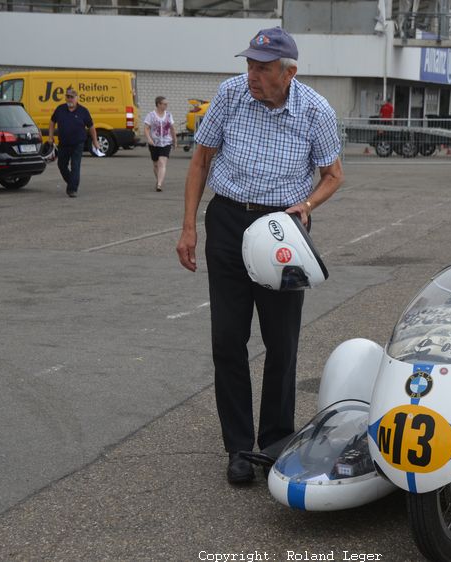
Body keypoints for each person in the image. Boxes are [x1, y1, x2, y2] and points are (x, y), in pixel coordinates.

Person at [175, 26, 344, 485]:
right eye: (249, 64)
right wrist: (189, 227)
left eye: (263, 68)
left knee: (282, 341)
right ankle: (238, 448)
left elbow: (333, 174)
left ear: (289, 72)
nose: (252, 74)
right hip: (229, 222)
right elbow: (200, 161)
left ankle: (274, 443)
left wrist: (307, 205)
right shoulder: (229, 95)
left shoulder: (315, 110)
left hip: (283, 230)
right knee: (228, 340)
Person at [48, 87, 101, 198]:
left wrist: (95, 142)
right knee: (61, 165)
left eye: (72, 97)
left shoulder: (83, 111)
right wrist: (50, 136)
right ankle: (72, 182)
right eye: (67, 97)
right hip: (63, 143)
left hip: (78, 143)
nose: (69, 99)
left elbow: (91, 127)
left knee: (75, 165)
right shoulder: (60, 109)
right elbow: (52, 122)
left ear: (76, 98)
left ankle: (72, 189)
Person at [144, 96, 177, 192]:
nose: (166, 106)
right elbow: (146, 128)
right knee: (155, 165)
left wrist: (175, 140)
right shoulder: (151, 115)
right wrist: (149, 139)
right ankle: (159, 179)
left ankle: (159, 184)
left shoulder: (168, 115)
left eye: (167, 104)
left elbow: (172, 128)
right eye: (164, 104)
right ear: (158, 104)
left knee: (162, 162)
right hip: (154, 143)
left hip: (166, 142)